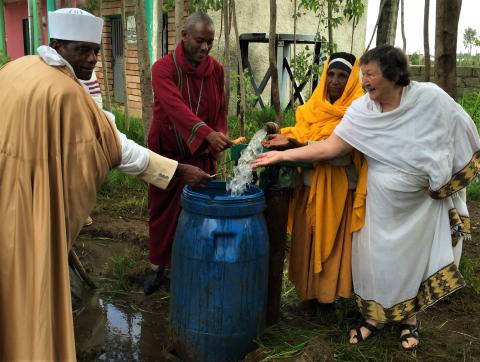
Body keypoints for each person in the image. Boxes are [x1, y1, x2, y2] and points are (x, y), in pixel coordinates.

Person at [0, 8, 211, 361]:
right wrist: (177, 170)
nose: (92, 59)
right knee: (39, 289)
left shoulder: (19, 68)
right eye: (82, 50)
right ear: (58, 45)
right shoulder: (65, 93)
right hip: (30, 207)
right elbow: (110, 145)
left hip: (14, 191)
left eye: (96, 49)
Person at [251, 45, 479, 350]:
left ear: (393, 73)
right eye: (363, 75)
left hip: (420, 207)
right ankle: (373, 318)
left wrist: (446, 175)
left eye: (369, 74)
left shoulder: (429, 98)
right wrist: (283, 156)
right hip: (379, 203)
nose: (363, 81)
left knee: (412, 262)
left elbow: (461, 126)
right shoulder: (362, 111)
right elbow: (330, 148)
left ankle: (409, 321)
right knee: (375, 261)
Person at [262, 52, 365, 316]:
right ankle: (306, 298)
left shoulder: (359, 110)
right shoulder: (312, 107)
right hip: (308, 186)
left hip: (338, 191)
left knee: (331, 245)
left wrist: (294, 145)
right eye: (331, 74)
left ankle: (327, 301)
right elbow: (300, 132)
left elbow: (339, 151)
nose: (334, 81)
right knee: (306, 241)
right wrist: (280, 132)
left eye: (342, 76)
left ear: (352, 80)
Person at [146, 11, 232, 295]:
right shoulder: (163, 69)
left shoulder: (216, 70)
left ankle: (191, 264)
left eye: (210, 42)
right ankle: (157, 266)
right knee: (161, 212)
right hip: (167, 153)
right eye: (199, 41)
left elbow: (219, 109)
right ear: (183, 36)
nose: (205, 48)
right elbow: (175, 109)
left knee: (198, 212)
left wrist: (219, 135)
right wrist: (207, 133)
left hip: (200, 154)